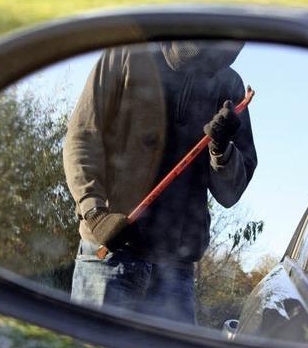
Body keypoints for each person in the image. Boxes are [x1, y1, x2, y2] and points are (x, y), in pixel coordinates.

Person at [62, 40, 257, 324]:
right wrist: (93, 212)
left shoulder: (229, 85)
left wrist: (221, 148)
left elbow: (230, 193)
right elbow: (82, 137)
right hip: (107, 255)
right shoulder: (126, 54)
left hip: (175, 271)